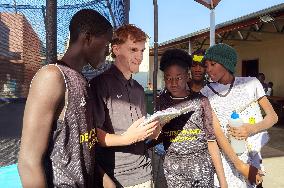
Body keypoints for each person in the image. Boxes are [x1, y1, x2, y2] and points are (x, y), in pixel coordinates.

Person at [18, 9, 113, 187]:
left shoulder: (82, 80)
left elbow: (82, 146)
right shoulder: (52, 76)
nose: (108, 51)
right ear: (88, 38)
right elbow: (28, 162)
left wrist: (106, 181)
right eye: (106, 43)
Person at [90, 24, 159, 188]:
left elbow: (141, 132)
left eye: (142, 51)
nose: (140, 57)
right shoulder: (99, 84)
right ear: (116, 49)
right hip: (117, 177)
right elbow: (94, 134)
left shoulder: (139, 90)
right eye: (133, 49)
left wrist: (153, 132)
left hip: (144, 172)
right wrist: (127, 138)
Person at [201, 43, 278, 188]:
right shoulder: (205, 93)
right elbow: (217, 134)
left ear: (226, 63)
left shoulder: (251, 83)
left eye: (213, 64)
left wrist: (251, 128)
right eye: (206, 65)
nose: (208, 69)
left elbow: (273, 117)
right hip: (227, 164)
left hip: (253, 157)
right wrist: (240, 166)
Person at [151, 49, 227, 187]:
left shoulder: (201, 101)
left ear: (187, 76)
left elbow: (211, 140)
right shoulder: (161, 102)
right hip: (174, 171)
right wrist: (156, 128)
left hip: (202, 169)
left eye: (178, 77)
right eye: (168, 78)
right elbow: (157, 136)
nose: (173, 83)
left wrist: (223, 181)